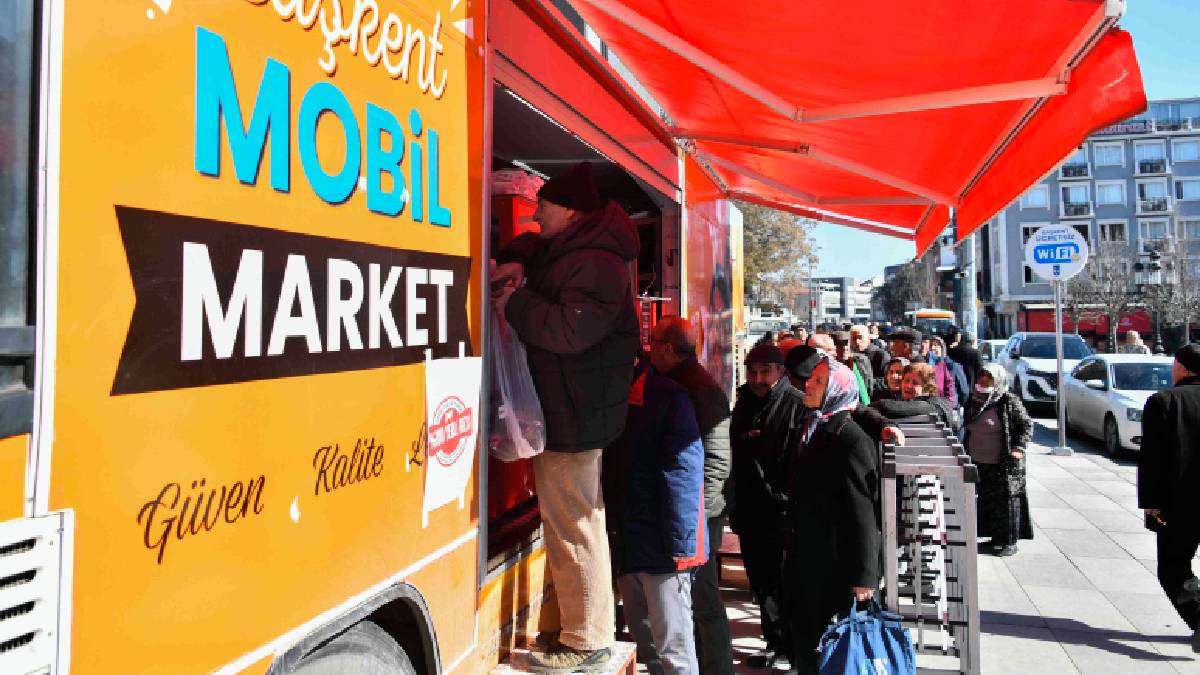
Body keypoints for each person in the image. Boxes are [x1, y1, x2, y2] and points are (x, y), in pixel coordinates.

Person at [492, 160, 640, 671]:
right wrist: (515, 256)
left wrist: (515, 303)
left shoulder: (597, 262)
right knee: (574, 521)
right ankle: (578, 630)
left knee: (575, 523)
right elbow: (539, 248)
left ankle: (585, 641)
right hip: (571, 407)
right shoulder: (580, 247)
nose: (535, 215)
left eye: (543, 207)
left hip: (574, 413)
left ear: (571, 212)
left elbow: (567, 331)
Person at [604, 358, 706, 675]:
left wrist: (682, 545)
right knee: (643, 640)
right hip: (627, 539)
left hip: (662, 546)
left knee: (673, 645)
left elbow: (684, 472)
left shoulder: (668, 397)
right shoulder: (610, 394)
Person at [784, 355, 881, 672]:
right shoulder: (811, 423)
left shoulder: (851, 439)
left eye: (819, 382)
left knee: (830, 649)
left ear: (836, 390)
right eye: (811, 379)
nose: (808, 385)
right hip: (806, 553)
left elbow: (863, 513)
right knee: (806, 638)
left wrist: (864, 577)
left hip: (833, 563)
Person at [648, 318, 733, 675]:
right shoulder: (677, 381)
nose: (648, 347)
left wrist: (700, 515)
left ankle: (716, 668)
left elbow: (717, 460)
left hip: (699, 516)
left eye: (652, 341)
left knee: (702, 598)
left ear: (667, 348)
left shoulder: (699, 389)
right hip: (687, 513)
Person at [729, 344, 806, 669]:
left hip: (782, 510)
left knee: (785, 584)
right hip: (749, 508)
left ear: (780, 372)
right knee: (761, 583)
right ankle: (774, 642)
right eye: (753, 372)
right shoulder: (744, 400)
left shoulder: (795, 405)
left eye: (765, 372)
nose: (758, 379)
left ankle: (792, 647)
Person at [1138, 344, 1200, 648]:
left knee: (1174, 567)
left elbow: (1152, 458)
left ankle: (1198, 615)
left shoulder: (1164, 402)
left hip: (1179, 503)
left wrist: (1150, 502)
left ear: (1183, 368)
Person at [964, 364, 1033, 556]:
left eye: (989, 377)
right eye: (982, 376)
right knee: (988, 501)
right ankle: (994, 537)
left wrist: (1018, 448)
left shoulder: (1008, 400)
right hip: (978, 460)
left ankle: (1009, 541)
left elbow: (1026, 424)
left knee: (1007, 503)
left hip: (1003, 462)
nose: (983, 380)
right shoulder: (975, 399)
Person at [871, 363, 960, 433]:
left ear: (927, 387)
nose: (908, 386)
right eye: (906, 380)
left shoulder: (935, 405)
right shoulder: (900, 400)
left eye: (915, 383)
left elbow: (888, 407)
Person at [929, 336, 970, 409]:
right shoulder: (926, 367)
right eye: (931, 345)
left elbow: (964, 392)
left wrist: (956, 405)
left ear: (942, 349)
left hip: (950, 410)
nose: (933, 348)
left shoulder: (953, 366)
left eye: (936, 345)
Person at [833, 331, 872, 404]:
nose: (844, 348)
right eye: (839, 345)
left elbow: (867, 389)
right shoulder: (829, 369)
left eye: (846, 344)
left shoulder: (859, 363)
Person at [948, 332, 985, 396]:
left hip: (955, 386)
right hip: (971, 386)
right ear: (972, 342)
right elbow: (980, 370)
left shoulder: (952, 351)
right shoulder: (976, 353)